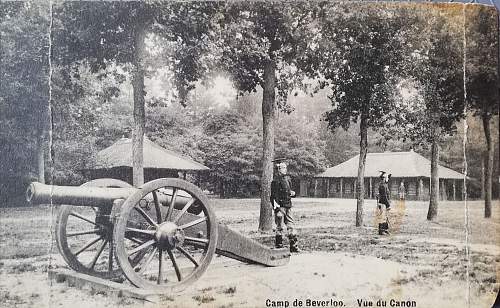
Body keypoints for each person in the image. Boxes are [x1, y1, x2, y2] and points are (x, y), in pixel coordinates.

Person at [270, 158, 299, 253]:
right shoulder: (275, 181)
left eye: (285, 167)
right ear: (278, 169)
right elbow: (273, 197)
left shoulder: (287, 179)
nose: (285, 169)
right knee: (280, 227)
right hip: (280, 207)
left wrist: (293, 193)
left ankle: (293, 246)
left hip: (288, 206)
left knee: (291, 226)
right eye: (283, 168)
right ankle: (279, 245)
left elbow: (289, 192)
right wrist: (277, 210)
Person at [377, 171, 391, 235]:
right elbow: (384, 196)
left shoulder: (384, 184)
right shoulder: (382, 185)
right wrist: (388, 205)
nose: (387, 178)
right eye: (387, 177)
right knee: (382, 217)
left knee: (385, 216)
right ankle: (381, 231)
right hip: (383, 203)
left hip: (384, 203)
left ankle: (385, 229)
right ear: (384, 178)